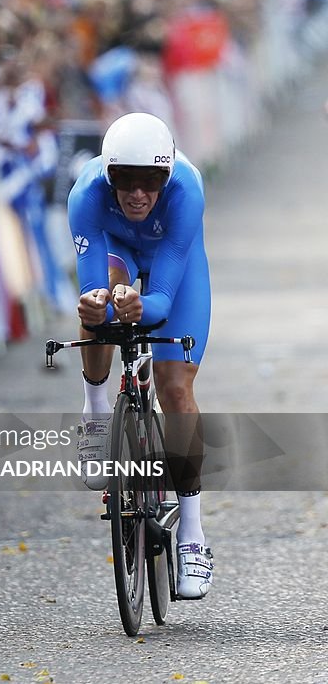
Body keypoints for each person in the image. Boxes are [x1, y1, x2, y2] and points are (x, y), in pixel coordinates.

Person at [67, 111, 213, 599]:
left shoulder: (186, 191)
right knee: (99, 306)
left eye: (150, 181)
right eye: (125, 180)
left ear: (166, 176)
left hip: (174, 264)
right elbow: (92, 287)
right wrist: (98, 303)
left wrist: (142, 305)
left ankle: (192, 536)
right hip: (117, 251)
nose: (137, 193)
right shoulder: (85, 196)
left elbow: (165, 300)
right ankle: (96, 414)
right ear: (108, 175)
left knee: (175, 387)